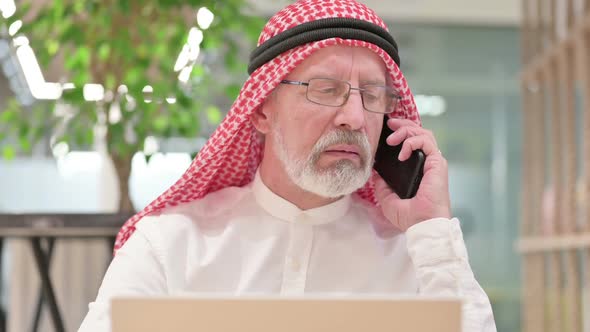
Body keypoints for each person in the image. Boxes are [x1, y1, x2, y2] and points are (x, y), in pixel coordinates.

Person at [79, 0, 497, 331]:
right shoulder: (171, 244)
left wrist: (431, 225)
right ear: (262, 111)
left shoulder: (416, 253)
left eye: (372, 95)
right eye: (325, 89)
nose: (354, 116)